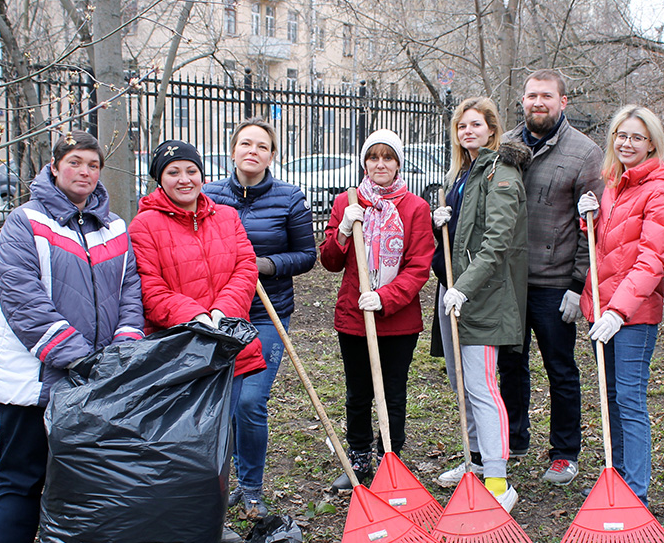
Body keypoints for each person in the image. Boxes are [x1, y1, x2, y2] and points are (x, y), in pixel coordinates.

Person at [0, 131, 144, 543]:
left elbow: (130, 293)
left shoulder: (113, 227)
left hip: (95, 381)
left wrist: (121, 350)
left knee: (87, 481)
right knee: (22, 477)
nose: (84, 172)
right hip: (36, 380)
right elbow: (24, 300)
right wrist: (78, 358)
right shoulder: (26, 223)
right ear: (54, 167)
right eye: (75, 162)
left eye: (93, 164)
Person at [128, 139, 267, 516]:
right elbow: (149, 287)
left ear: (202, 175)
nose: (184, 179)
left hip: (227, 343)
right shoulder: (144, 226)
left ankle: (219, 513)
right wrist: (195, 316)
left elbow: (245, 268)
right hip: (180, 350)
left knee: (224, 433)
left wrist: (222, 312)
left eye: (191, 170)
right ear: (159, 179)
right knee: (187, 440)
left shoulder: (227, 217)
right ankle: (187, 517)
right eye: (173, 172)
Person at [205, 117, 317, 516]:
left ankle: (251, 486)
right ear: (233, 149)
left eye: (262, 146)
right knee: (224, 401)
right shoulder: (208, 196)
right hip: (218, 315)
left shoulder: (289, 198)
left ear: (272, 155)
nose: (253, 151)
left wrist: (266, 265)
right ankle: (221, 485)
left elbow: (307, 255)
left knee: (250, 401)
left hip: (267, 314)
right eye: (246, 144)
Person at [499, 70, 604, 486]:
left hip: (555, 282)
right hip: (508, 281)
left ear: (563, 101)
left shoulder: (585, 153)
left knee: (560, 369)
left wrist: (578, 285)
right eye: (531, 96)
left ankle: (565, 452)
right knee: (511, 364)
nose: (537, 102)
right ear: (522, 101)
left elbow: (592, 227)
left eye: (546, 96)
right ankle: (514, 438)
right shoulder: (505, 144)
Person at [578, 106, 664, 506]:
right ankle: (618, 475)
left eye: (637, 137)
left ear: (652, 143)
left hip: (633, 315)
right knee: (610, 397)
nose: (627, 143)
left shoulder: (662, 191)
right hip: (602, 308)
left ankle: (636, 491)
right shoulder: (613, 184)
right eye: (621, 135)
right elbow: (610, 247)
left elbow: (651, 261)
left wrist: (618, 311)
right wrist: (589, 220)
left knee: (629, 399)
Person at [320, 129, 435, 490]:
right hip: (354, 316)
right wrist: (342, 230)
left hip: (398, 319)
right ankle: (359, 455)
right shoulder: (348, 201)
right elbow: (330, 262)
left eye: (388, 157)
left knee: (393, 392)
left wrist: (386, 296)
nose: (380, 164)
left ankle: (391, 456)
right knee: (358, 393)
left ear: (398, 163)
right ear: (364, 163)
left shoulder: (415, 207)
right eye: (373, 157)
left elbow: (419, 266)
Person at [432, 98, 530, 512]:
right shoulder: (463, 174)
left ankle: (497, 480)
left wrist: (464, 288)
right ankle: (474, 460)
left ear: (492, 129)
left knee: (482, 387)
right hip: (454, 292)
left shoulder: (501, 171)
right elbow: (463, 238)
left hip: (483, 296)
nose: (467, 131)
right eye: (461, 126)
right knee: (462, 384)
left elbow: (497, 242)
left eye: (475, 124)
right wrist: (443, 223)